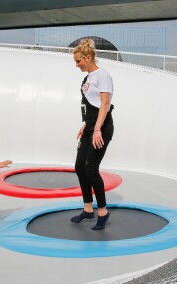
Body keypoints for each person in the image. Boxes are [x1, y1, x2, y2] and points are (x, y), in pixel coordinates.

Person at [71, 39, 114, 230]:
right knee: (80, 166)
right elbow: (91, 104)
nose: (77, 65)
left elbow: (104, 104)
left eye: (79, 61)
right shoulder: (88, 78)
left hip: (102, 127)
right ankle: (88, 209)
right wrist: (86, 125)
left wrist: (97, 129)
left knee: (91, 168)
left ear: (88, 57)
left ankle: (102, 212)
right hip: (90, 126)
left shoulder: (102, 75)